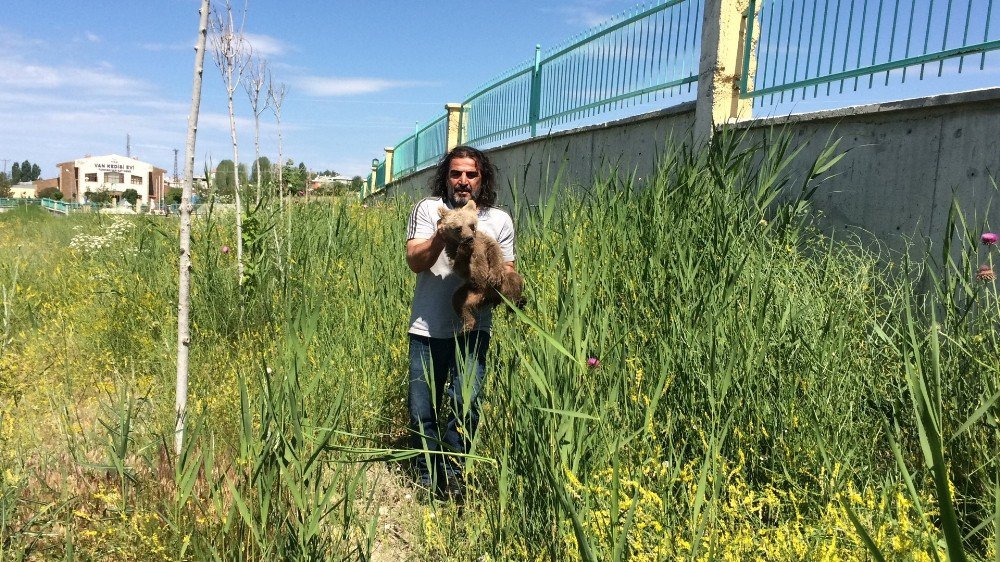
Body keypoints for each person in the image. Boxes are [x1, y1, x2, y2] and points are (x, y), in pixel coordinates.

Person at [405, 145, 516, 500]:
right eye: (456, 173)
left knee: (465, 407)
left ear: (482, 179)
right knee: (423, 409)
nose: (463, 181)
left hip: (473, 328)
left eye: (471, 174)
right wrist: (443, 232)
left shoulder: (498, 220)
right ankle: (425, 481)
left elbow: (507, 268)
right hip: (427, 326)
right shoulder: (428, 210)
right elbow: (415, 261)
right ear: (447, 177)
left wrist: (495, 281)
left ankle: (454, 481)